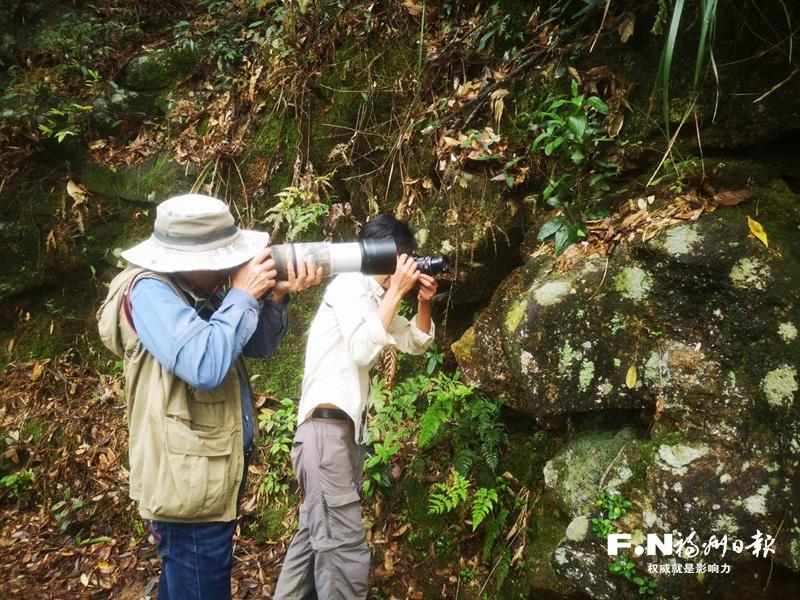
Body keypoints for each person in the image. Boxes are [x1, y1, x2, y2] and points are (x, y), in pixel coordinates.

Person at [97, 194, 322, 599]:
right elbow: (204, 365)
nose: (229, 265)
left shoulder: (202, 288)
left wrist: (274, 296)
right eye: (222, 257)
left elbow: (258, 346)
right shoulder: (149, 292)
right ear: (190, 259)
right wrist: (242, 295)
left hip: (206, 478)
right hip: (186, 487)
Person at [274, 214, 438, 599]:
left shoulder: (376, 297)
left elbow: (415, 341)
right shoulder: (349, 286)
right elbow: (362, 349)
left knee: (312, 542)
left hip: (340, 438)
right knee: (344, 554)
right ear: (389, 256)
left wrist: (423, 301)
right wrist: (397, 292)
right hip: (324, 433)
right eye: (404, 259)